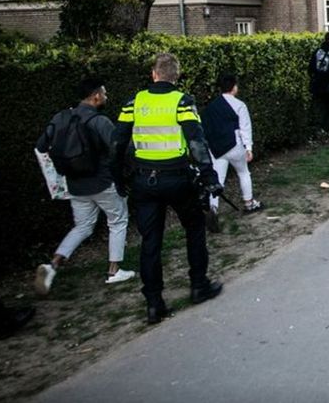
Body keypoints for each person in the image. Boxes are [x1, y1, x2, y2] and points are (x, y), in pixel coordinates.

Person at [112, 53, 223, 324]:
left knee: (150, 241)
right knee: (194, 229)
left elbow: (117, 142)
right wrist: (209, 177)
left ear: (154, 74)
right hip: (177, 178)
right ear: (176, 76)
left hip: (143, 181)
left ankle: (153, 302)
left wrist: (117, 177)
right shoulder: (182, 101)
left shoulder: (134, 102)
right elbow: (196, 142)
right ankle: (199, 285)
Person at [34, 78, 135, 295]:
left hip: (75, 185)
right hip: (102, 182)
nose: (106, 97)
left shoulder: (60, 118)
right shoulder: (99, 121)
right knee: (117, 221)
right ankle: (114, 270)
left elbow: (41, 146)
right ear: (96, 96)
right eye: (105, 94)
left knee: (82, 226)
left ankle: (53, 265)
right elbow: (119, 148)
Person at [202, 73, 261, 213]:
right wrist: (249, 147)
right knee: (243, 172)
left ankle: (213, 208)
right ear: (234, 87)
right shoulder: (239, 105)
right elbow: (245, 127)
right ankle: (249, 203)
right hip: (235, 145)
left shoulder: (211, 107)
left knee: (218, 178)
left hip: (217, 149)